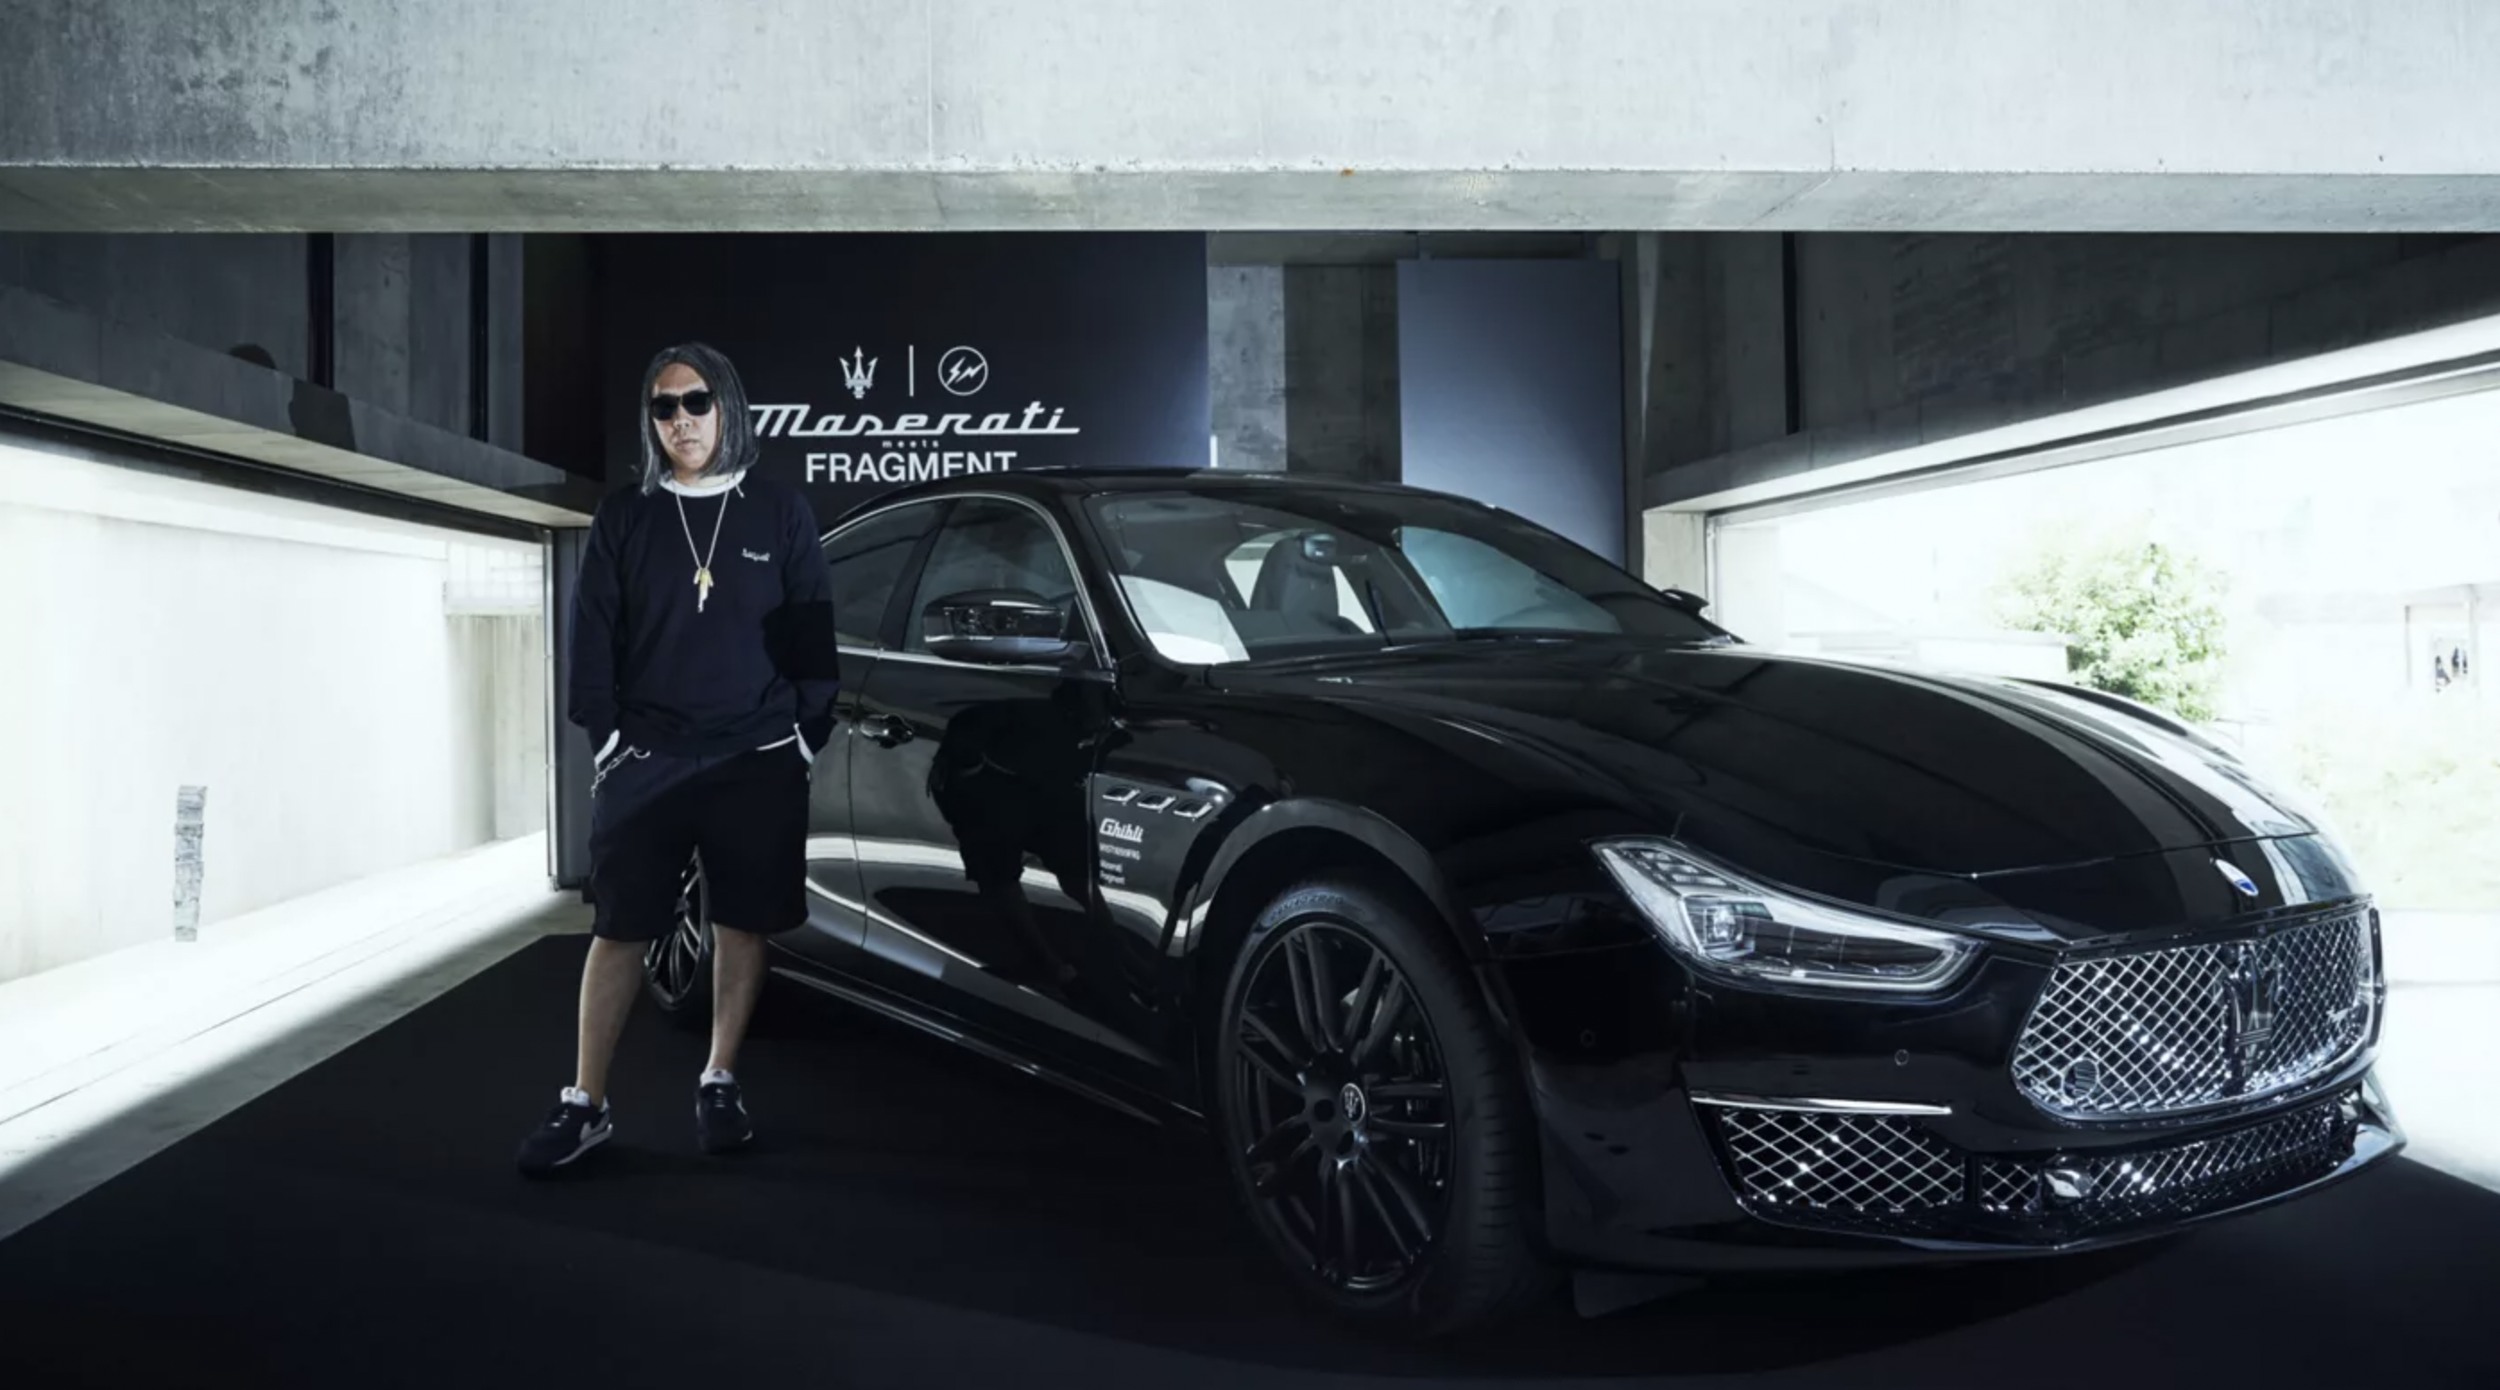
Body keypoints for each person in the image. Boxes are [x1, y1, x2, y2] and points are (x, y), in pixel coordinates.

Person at [518, 342, 839, 1176]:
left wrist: (803, 734)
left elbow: (812, 632)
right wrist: (609, 739)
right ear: (649, 420)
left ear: (725, 405)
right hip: (648, 757)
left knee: (742, 922)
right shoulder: (627, 515)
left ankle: (720, 1079)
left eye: (696, 402)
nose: (682, 421)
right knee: (620, 928)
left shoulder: (778, 511)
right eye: (664, 408)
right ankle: (585, 1101)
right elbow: (593, 637)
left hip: (757, 755)